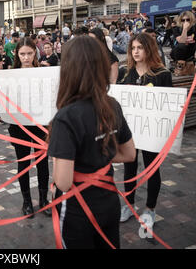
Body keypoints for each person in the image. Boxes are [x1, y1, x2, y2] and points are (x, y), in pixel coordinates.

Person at [47, 35, 135, 249]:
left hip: (77, 210)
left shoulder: (66, 117)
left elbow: (64, 182)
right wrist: (99, 153)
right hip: (108, 201)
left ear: (69, 69)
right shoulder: (112, 105)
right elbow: (129, 154)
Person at [118, 33, 172, 232]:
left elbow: (169, 105)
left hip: (152, 133)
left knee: (151, 169)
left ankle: (150, 209)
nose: (136, 51)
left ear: (149, 49)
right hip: (130, 133)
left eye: (140, 47)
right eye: (133, 48)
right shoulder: (125, 73)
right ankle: (129, 204)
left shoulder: (162, 74)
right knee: (129, 169)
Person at [8, 37, 51, 218]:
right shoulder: (10, 74)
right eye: (22, 54)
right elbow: (4, 102)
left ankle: (43, 199)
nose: (26, 57)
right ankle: (26, 202)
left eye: (29, 53)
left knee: (42, 163)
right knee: (23, 163)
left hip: (41, 125)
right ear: (17, 54)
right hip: (19, 126)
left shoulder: (45, 72)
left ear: (35, 53)